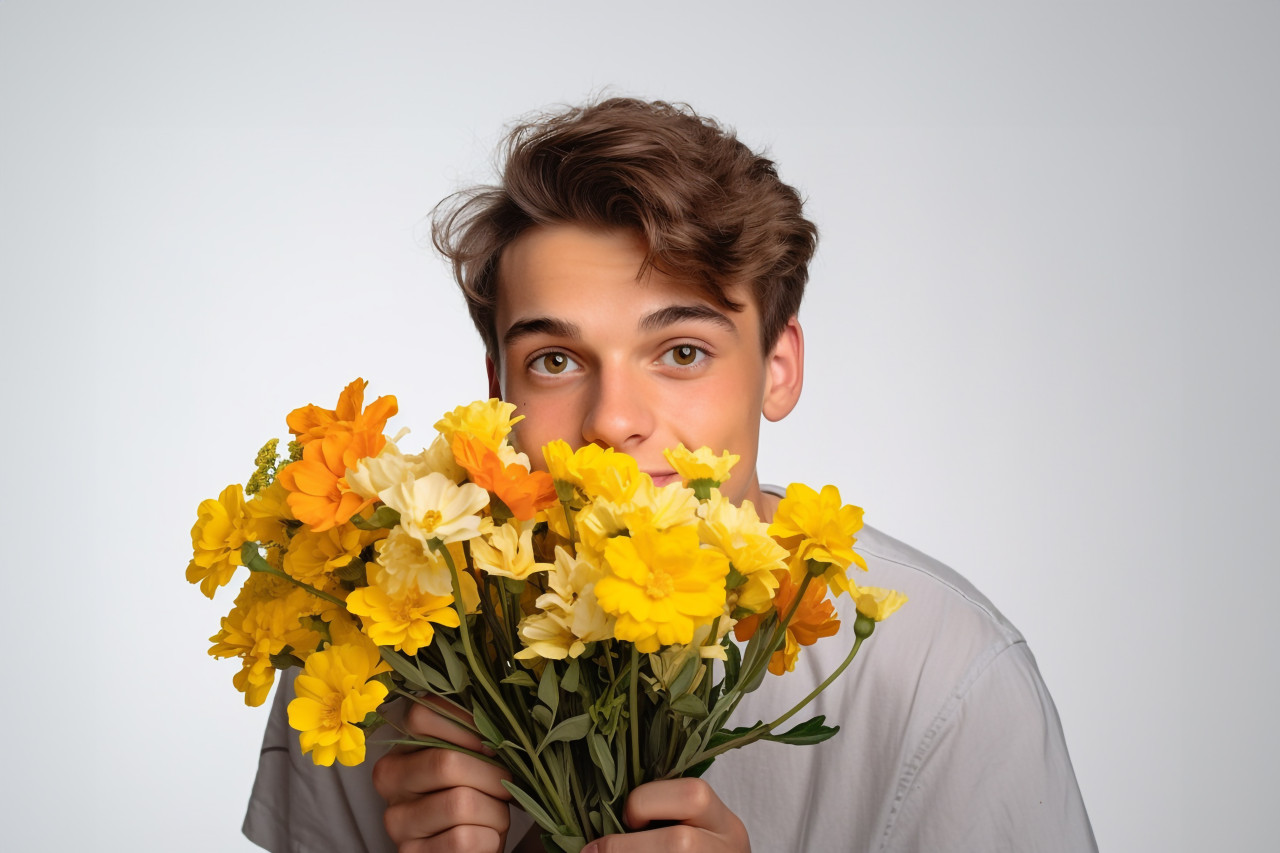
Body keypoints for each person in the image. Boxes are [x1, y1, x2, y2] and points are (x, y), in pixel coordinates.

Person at [244, 98, 1096, 852]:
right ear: (498, 393)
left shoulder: (942, 676)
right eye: (554, 360)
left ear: (778, 367)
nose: (614, 419)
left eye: (681, 352)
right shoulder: (369, 655)